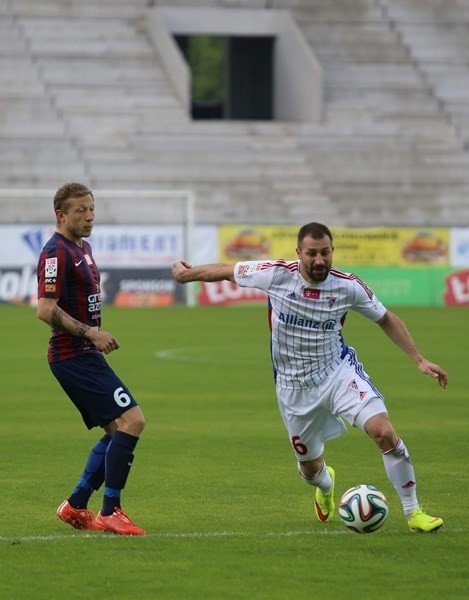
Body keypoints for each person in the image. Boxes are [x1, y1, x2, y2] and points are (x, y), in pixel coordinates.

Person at [172, 222, 448, 533]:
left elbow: (385, 318)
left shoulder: (348, 286)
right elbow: (226, 270)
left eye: (325, 253)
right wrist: (186, 275)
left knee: (383, 432)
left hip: (337, 373)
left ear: (332, 251)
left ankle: (414, 512)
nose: (319, 260)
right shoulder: (276, 273)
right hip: (294, 389)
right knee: (310, 469)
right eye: (312, 254)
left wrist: (419, 359)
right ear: (298, 253)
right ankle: (326, 487)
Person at [36, 182, 146, 536]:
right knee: (132, 421)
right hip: (72, 354)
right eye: (80, 210)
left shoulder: (82, 247)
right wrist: (90, 333)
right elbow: (44, 309)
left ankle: (76, 505)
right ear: (61, 214)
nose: (89, 216)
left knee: (118, 431)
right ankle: (111, 511)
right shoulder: (56, 253)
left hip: (83, 354)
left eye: (91, 209)